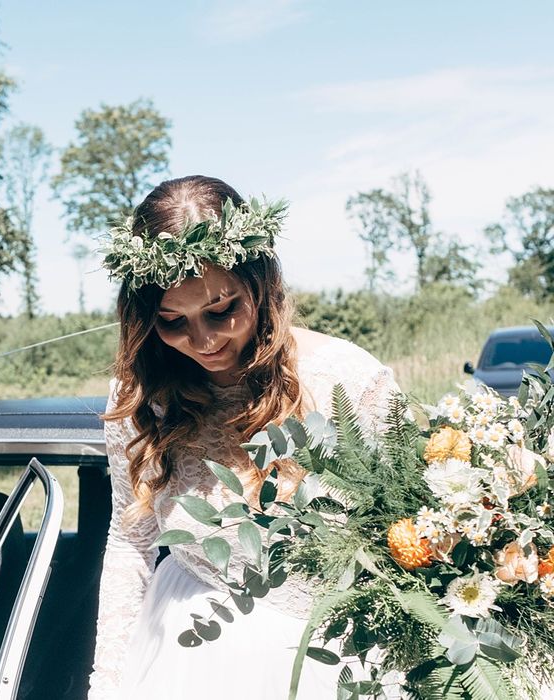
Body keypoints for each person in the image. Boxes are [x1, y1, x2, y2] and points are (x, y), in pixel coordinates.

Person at [88, 175, 402, 699]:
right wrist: (108, 683)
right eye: (173, 321)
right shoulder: (145, 398)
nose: (204, 340)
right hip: (188, 656)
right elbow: (130, 543)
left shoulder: (347, 379)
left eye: (221, 310)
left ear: (260, 282)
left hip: (332, 662)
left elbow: (409, 531)